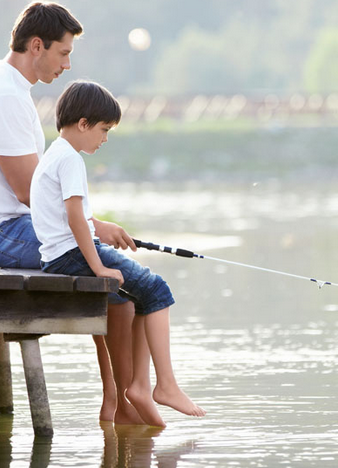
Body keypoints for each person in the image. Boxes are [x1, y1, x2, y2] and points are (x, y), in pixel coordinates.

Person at [0, 2, 148, 425]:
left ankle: (118, 399)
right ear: (36, 45)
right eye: (63, 52)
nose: (68, 63)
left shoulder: (0, 84)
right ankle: (119, 403)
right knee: (114, 274)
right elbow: (29, 192)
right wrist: (93, 228)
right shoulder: (5, 94)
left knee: (109, 268)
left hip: (2, 226)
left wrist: (94, 229)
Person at [30, 80, 206, 424]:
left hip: (58, 255)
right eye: (103, 129)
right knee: (158, 290)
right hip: (74, 255)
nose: (105, 138)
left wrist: (101, 239)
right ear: (83, 124)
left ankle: (140, 386)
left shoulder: (54, 155)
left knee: (144, 296)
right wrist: (97, 267)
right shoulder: (70, 160)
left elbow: (72, 219)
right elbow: (76, 219)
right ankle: (164, 385)